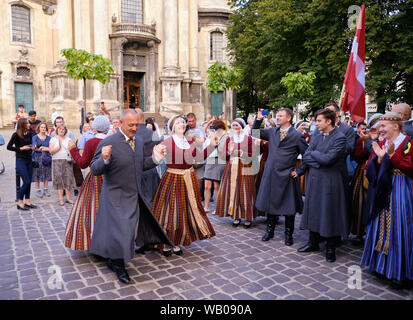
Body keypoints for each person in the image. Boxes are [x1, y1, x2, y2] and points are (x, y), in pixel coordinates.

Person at [89, 109, 171, 284]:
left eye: (136, 125)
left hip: (134, 195)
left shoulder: (139, 141)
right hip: (115, 197)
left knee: (126, 231)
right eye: (130, 125)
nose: (134, 128)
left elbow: (140, 166)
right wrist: (104, 158)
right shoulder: (109, 141)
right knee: (123, 231)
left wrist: (156, 159)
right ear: (121, 123)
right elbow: (95, 170)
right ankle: (119, 266)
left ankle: (113, 259)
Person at [152, 115, 217, 256]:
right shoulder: (167, 141)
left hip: (189, 178)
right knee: (170, 211)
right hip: (173, 178)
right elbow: (156, 158)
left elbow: (199, 158)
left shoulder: (189, 141)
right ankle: (166, 242)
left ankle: (177, 241)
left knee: (183, 210)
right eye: (178, 123)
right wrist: (156, 154)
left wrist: (212, 145)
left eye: (183, 122)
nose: (182, 124)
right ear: (172, 127)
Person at [361, 112, 413, 289]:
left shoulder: (409, 142)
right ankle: (380, 266)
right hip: (382, 189)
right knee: (379, 224)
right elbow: (369, 168)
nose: (380, 129)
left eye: (383, 126)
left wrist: (391, 157)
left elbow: (410, 167)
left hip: (401, 188)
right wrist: (379, 159)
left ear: (396, 126)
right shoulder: (381, 143)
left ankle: (398, 272)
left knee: (399, 227)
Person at [294, 108, 348, 262]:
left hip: (331, 181)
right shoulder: (316, 136)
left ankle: (330, 248)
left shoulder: (340, 137)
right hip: (315, 179)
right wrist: (318, 159)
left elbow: (328, 159)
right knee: (313, 209)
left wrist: (316, 156)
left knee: (329, 211)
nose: (316, 124)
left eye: (319, 121)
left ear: (328, 121)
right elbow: (306, 156)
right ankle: (313, 242)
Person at [254, 108, 308, 245]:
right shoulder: (272, 132)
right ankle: (269, 231)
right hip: (271, 174)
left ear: (288, 118)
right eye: (277, 116)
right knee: (271, 203)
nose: (277, 118)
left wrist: (300, 171)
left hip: (287, 175)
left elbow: (307, 155)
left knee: (289, 207)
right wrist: (258, 119)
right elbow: (254, 133)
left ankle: (288, 234)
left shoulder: (297, 136)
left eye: (280, 116)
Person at [64, 115, 111, 251]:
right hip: (111, 178)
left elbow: (83, 164)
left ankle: (93, 242)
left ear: (94, 127)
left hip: (96, 179)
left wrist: (73, 149)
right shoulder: (113, 140)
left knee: (92, 210)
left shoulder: (91, 142)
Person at [215, 118, 258, 228]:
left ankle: (248, 217)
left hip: (245, 167)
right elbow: (223, 156)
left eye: (237, 126)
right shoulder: (229, 139)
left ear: (242, 127)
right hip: (231, 167)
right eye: (233, 126)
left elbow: (253, 154)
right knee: (233, 191)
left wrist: (242, 152)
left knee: (245, 191)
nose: (235, 128)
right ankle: (236, 216)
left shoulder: (248, 139)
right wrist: (229, 151)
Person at [7, 118, 37, 211]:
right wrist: (20, 149)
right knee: (26, 181)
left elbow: (30, 144)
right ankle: (20, 202)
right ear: (22, 124)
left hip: (29, 160)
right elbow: (9, 147)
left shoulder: (29, 133)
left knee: (29, 182)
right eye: (27, 123)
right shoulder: (15, 134)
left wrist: (32, 147)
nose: (29, 124)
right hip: (20, 160)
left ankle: (27, 202)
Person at [349, 121, 369, 244]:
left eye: (366, 128)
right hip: (362, 172)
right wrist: (367, 144)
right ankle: (358, 233)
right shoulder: (359, 140)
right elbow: (357, 156)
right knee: (360, 202)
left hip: (377, 173)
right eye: (362, 128)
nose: (364, 131)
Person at [136, 110, 161, 206]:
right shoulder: (152, 133)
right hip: (151, 169)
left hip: (136, 169)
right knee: (151, 202)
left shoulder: (132, 133)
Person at [203, 120, 228, 213]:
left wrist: (216, 142)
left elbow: (223, 150)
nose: (214, 130)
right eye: (213, 127)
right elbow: (205, 147)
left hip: (219, 160)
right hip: (210, 159)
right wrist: (210, 138)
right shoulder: (210, 135)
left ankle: (218, 208)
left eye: (215, 128)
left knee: (217, 185)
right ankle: (206, 206)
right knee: (207, 186)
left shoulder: (225, 137)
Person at [49, 124, 76, 206]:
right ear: (57, 130)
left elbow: (73, 150)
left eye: (63, 129)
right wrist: (59, 146)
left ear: (65, 131)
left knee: (68, 178)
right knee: (59, 179)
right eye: (60, 129)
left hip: (67, 160)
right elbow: (51, 151)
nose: (61, 130)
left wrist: (71, 147)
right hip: (57, 160)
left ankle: (68, 198)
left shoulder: (69, 139)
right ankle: (61, 199)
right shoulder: (53, 139)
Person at [31, 122, 52, 198]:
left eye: (44, 127)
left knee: (46, 173)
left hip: (46, 157)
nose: (43, 129)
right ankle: (38, 190)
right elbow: (34, 147)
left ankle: (45, 189)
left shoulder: (49, 138)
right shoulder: (35, 137)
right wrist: (43, 148)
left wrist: (44, 148)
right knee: (37, 173)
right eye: (42, 127)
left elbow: (51, 148)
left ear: (46, 129)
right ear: (39, 128)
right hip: (37, 157)